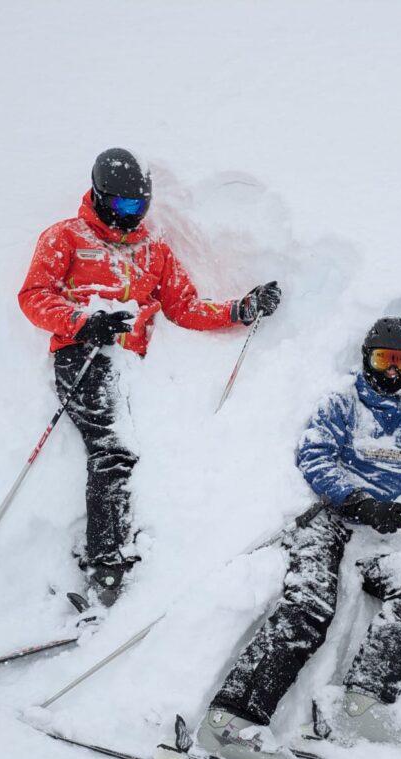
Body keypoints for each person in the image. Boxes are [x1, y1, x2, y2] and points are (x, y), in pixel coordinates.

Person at [196, 316, 401, 759]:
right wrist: (357, 500)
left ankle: (362, 704)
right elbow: (314, 454)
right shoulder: (343, 406)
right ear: (366, 359)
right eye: (383, 359)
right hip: (328, 519)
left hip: (376, 536)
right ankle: (230, 719)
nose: (392, 372)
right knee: (310, 607)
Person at [19, 147, 281, 604]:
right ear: (99, 197)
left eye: (139, 207)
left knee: (134, 450)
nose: (130, 216)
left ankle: (124, 558)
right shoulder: (66, 237)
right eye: (121, 206)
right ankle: (106, 568)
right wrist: (83, 321)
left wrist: (241, 309)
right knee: (113, 449)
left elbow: (185, 307)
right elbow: (34, 296)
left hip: (129, 366)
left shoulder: (153, 252)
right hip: (84, 353)